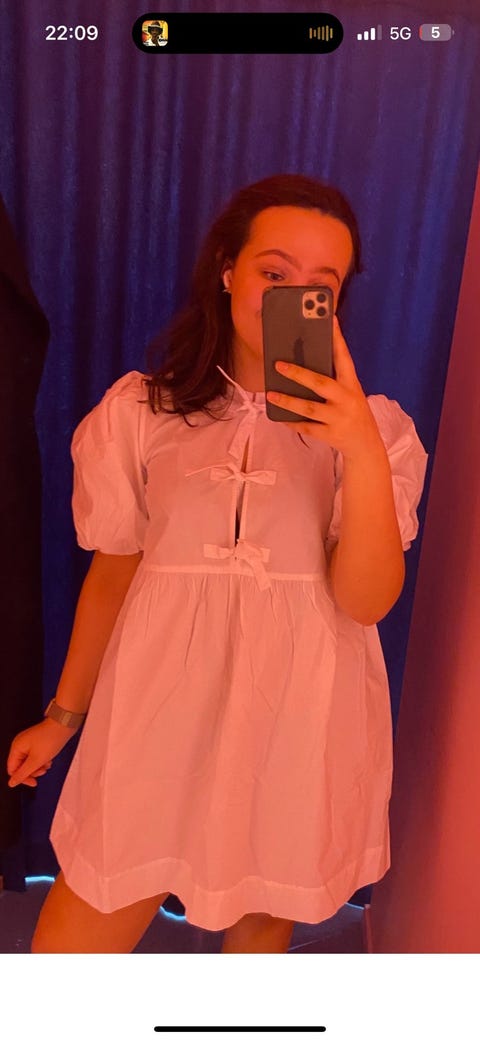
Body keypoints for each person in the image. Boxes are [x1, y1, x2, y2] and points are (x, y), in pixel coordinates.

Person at [6, 173, 428, 953]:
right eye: (274, 272)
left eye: (320, 285)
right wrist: (62, 719)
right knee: (69, 950)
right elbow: (113, 575)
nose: (294, 296)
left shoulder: (379, 434)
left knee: (261, 926)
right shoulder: (141, 414)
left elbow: (365, 601)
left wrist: (360, 451)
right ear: (228, 270)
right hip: (158, 710)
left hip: (300, 715)